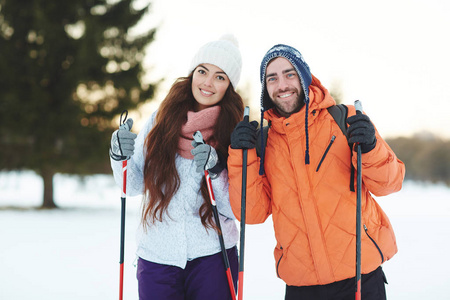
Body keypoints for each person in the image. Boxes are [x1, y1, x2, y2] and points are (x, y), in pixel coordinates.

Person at [227, 44, 405, 300]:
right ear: (265, 88)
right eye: (272, 78)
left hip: (360, 279)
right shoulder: (263, 142)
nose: (282, 84)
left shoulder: (346, 120)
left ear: (304, 77)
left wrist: (371, 148)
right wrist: (239, 156)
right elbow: (251, 214)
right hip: (302, 288)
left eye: (289, 74)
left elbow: (391, 183)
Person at [109, 35, 244, 300]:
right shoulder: (162, 120)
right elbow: (133, 184)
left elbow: (234, 208)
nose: (207, 82)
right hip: (158, 257)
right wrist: (119, 155)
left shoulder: (234, 133)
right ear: (192, 73)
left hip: (213, 258)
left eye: (220, 76)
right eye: (202, 71)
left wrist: (215, 170)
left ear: (229, 86)